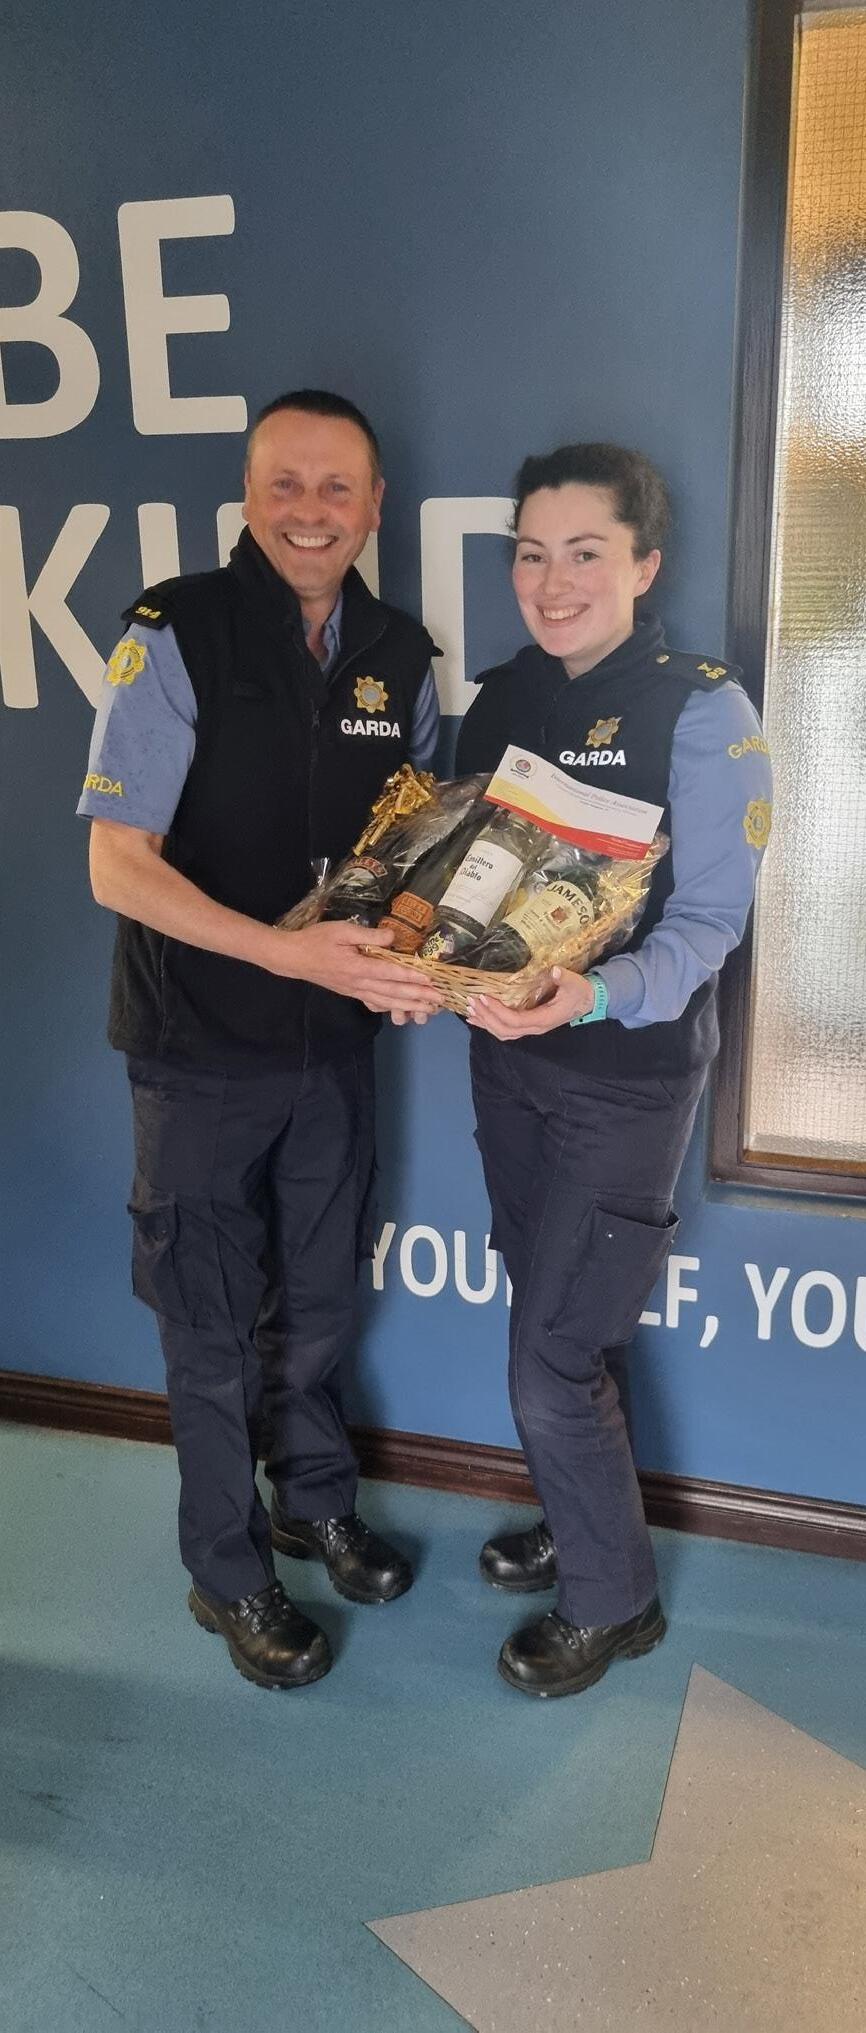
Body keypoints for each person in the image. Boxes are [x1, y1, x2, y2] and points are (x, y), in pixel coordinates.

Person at [78, 389, 443, 1692]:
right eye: (284, 482)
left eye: (336, 486)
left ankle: (315, 1503)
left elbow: (418, 855)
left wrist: (415, 966)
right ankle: (226, 1571)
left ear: (373, 506)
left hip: (334, 1051)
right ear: (247, 495)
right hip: (197, 1051)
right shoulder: (175, 628)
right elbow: (117, 865)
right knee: (212, 1325)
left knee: (325, 1298)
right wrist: (284, 950)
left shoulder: (401, 651)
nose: (309, 510)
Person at [454, 442, 772, 1698]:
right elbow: (470, 878)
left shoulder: (702, 709)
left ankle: (611, 1600)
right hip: (506, 1064)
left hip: (622, 1076)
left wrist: (589, 992)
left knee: (549, 1353)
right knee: (559, 1316)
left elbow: (710, 923)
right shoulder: (498, 698)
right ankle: (582, 1513)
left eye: (583, 552)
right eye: (532, 554)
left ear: (643, 564)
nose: (553, 581)